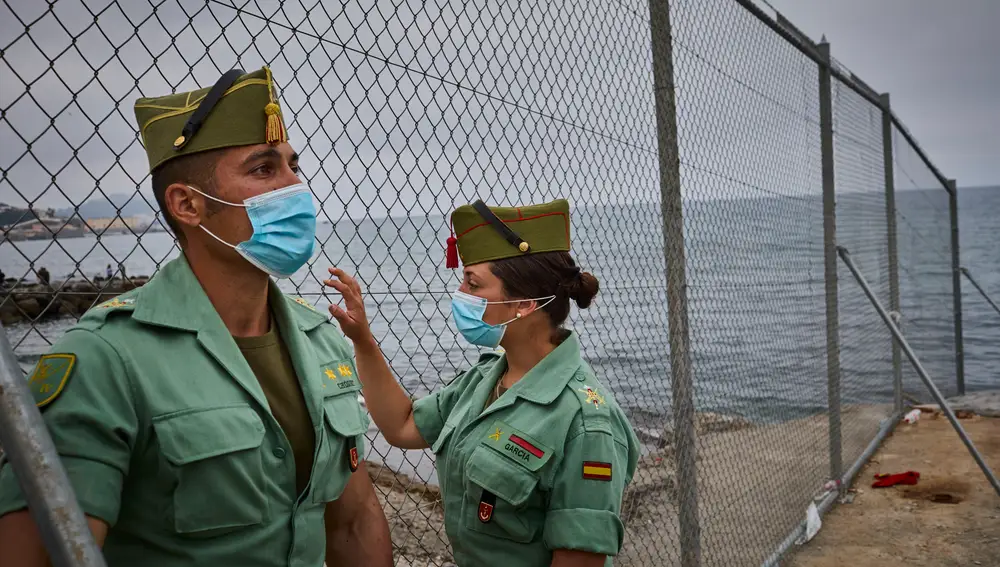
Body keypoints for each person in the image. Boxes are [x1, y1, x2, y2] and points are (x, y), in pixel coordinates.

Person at [0, 66, 392, 567]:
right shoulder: (106, 358)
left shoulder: (321, 339)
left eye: (294, 166)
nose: (296, 187)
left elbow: (353, 523)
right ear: (188, 204)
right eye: (264, 170)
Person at [325, 198, 641, 566]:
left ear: (524, 304)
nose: (460, 294)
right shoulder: (485, 379)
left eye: (473, 284)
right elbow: (403, 426)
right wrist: (363, 341)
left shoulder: (586, 423)